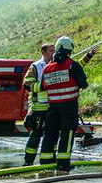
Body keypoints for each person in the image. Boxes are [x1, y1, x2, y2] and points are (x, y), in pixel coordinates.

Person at [33, 36, 88, 173]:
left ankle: (45, 161)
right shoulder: (71, 65)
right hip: (68, 107)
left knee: (50, 133)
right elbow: (83, 84)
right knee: (67, 133)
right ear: (69, 50)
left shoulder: (47, 68)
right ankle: (63, 164)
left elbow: (44, 86)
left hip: (52, 107)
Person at [21, 43, 53, 164]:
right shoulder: (36, 67)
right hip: (38, 108)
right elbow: (27, 84)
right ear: (43, 52)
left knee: (51, 136)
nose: (53, 53)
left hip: (51, 107)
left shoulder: (55, 65)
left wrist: (88, 56)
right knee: (35, 136)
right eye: (51, 51)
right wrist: (42, 86)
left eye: (54, 51)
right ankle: (28, 162)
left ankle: (48, 161)